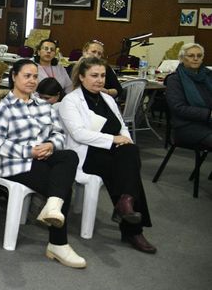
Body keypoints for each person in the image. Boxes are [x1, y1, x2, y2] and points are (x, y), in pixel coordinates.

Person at [0, 59, 85, 268]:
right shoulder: (2, 109)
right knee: (61, 186)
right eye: (27, 76)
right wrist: (29, 151)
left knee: (69, 156)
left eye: (35, 76)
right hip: (16, 164)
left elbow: (59, 133)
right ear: (14, 77)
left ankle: (52, 206)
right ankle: (58, 244)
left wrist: (50, 145)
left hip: (44, 156)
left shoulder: (43, 105)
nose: (32, 81)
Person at [59, 57, 156, 253]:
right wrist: (113, 140)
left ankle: (125, 203)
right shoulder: (70, 101)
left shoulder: (108, 99)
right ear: (81, 77)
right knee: (126, 168)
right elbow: (78, 134)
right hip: (87, 155)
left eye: (103, 75)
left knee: (130, 151)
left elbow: (122, 127)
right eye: (94, 75)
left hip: (112, 150)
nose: (100, 80)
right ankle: (132, 228)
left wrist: (125, 139)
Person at [166, 43, 212, 149]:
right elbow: (178, 108)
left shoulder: (209, 75)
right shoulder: (174, 79)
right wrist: (208, 114)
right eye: (191, 56)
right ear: (182, 58)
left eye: (199, 56)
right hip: (187, 127)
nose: (195, 59)